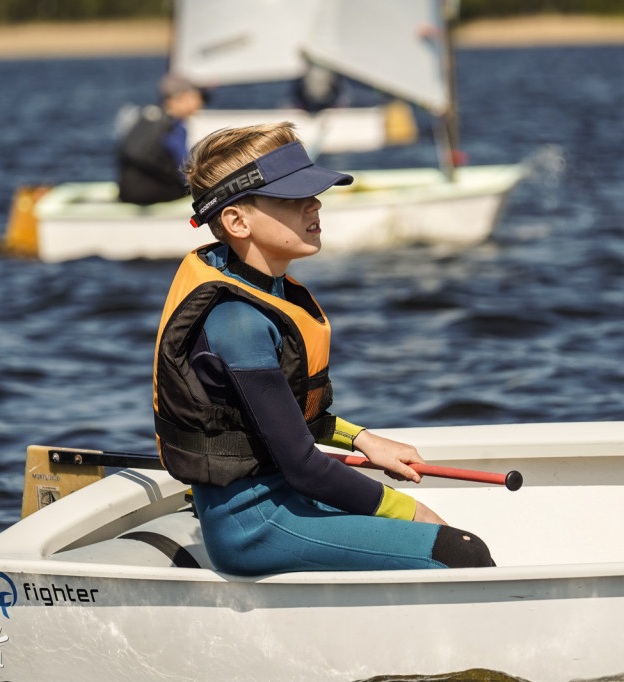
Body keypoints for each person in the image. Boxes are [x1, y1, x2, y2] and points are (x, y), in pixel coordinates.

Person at [152, 122, 494, 575]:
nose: (314, 204)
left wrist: (363, 439)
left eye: (312, 193)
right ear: (237, 222)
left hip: (287, 501)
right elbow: (303, 465)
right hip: (255, 527)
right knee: (462, 551)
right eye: (292, 199)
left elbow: (282, 418)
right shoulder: (238, 321)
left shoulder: (265, 288)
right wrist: (403, 509)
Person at [117, 72, 204, 205]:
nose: (201, 103)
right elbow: (185, 171)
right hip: (155, 193)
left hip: (127, 192)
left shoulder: (148, 115)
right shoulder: (174, 126)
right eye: (198, 97)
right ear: (182, 98)